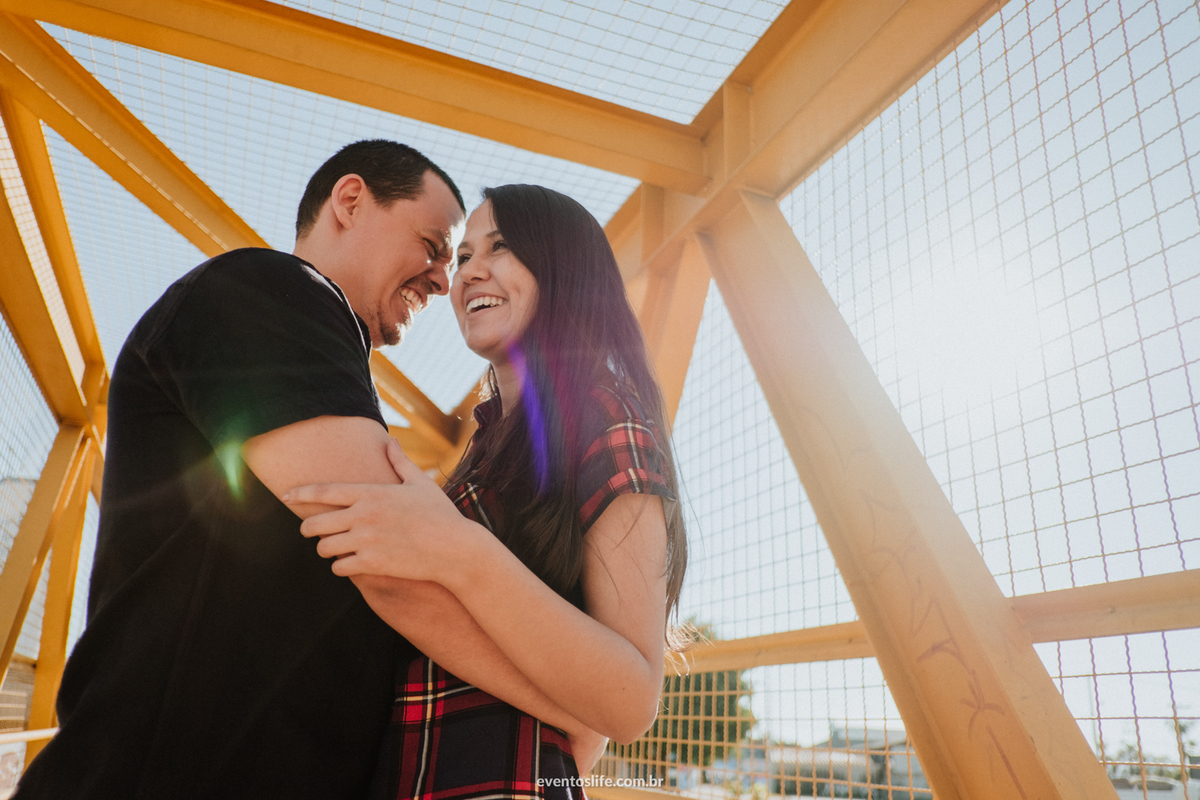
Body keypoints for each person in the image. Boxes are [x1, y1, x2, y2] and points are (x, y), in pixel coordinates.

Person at [16, 143, 598, 798]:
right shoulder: (267, 290)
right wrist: (578, 699)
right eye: (433, 244)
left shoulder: (318, 351)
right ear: (350, 201)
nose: (443, 279)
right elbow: (394, 566)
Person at [286, 184, 688, 798]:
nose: (469, 272)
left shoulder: (608, 420)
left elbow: (632, 700)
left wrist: (457, 549)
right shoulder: (487, 447)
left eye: (499, 247)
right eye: (465, 255)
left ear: (563, 266)